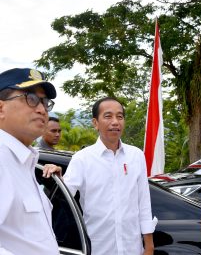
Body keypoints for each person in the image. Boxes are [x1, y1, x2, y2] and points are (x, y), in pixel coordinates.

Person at [45, 97, 157, 255]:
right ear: (95, 123)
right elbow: (65, 195)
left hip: (132, 248)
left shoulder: (136, 156)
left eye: (120, 116)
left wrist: (149, 246)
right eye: (108, 116)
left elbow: (144, 203)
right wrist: (55, 177)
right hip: (98, 248)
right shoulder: (83, 158)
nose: (115, 122)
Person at [0, 68, 59, 255]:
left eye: (44, 102)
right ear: (1, 108)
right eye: (31, 99)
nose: (42, 109)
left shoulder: (24, 162)